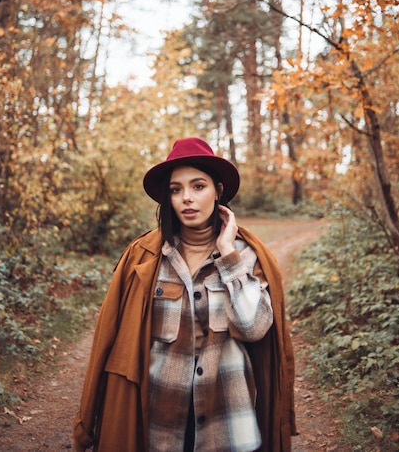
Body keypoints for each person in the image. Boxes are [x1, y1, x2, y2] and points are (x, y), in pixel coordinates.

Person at [73, 137, 296, 452]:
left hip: (227, 420)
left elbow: (254, 327)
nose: (186, 198)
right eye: (176, 190)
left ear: (218, 190)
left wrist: (228, 255)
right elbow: (112, 340)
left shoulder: (246, 255)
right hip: (159, 423)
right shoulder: (145, 257)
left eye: (198, 186)